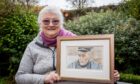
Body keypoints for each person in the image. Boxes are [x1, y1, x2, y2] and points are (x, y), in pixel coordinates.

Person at [15, 5, 120, 84]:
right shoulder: (32, 46)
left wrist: (108, 74)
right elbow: (19, 77)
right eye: (46, 21)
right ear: (40, 24)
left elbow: (91, 65)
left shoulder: (74, 41)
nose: (51, 24)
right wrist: (43, 79)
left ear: (61, 24)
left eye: (55, 21)